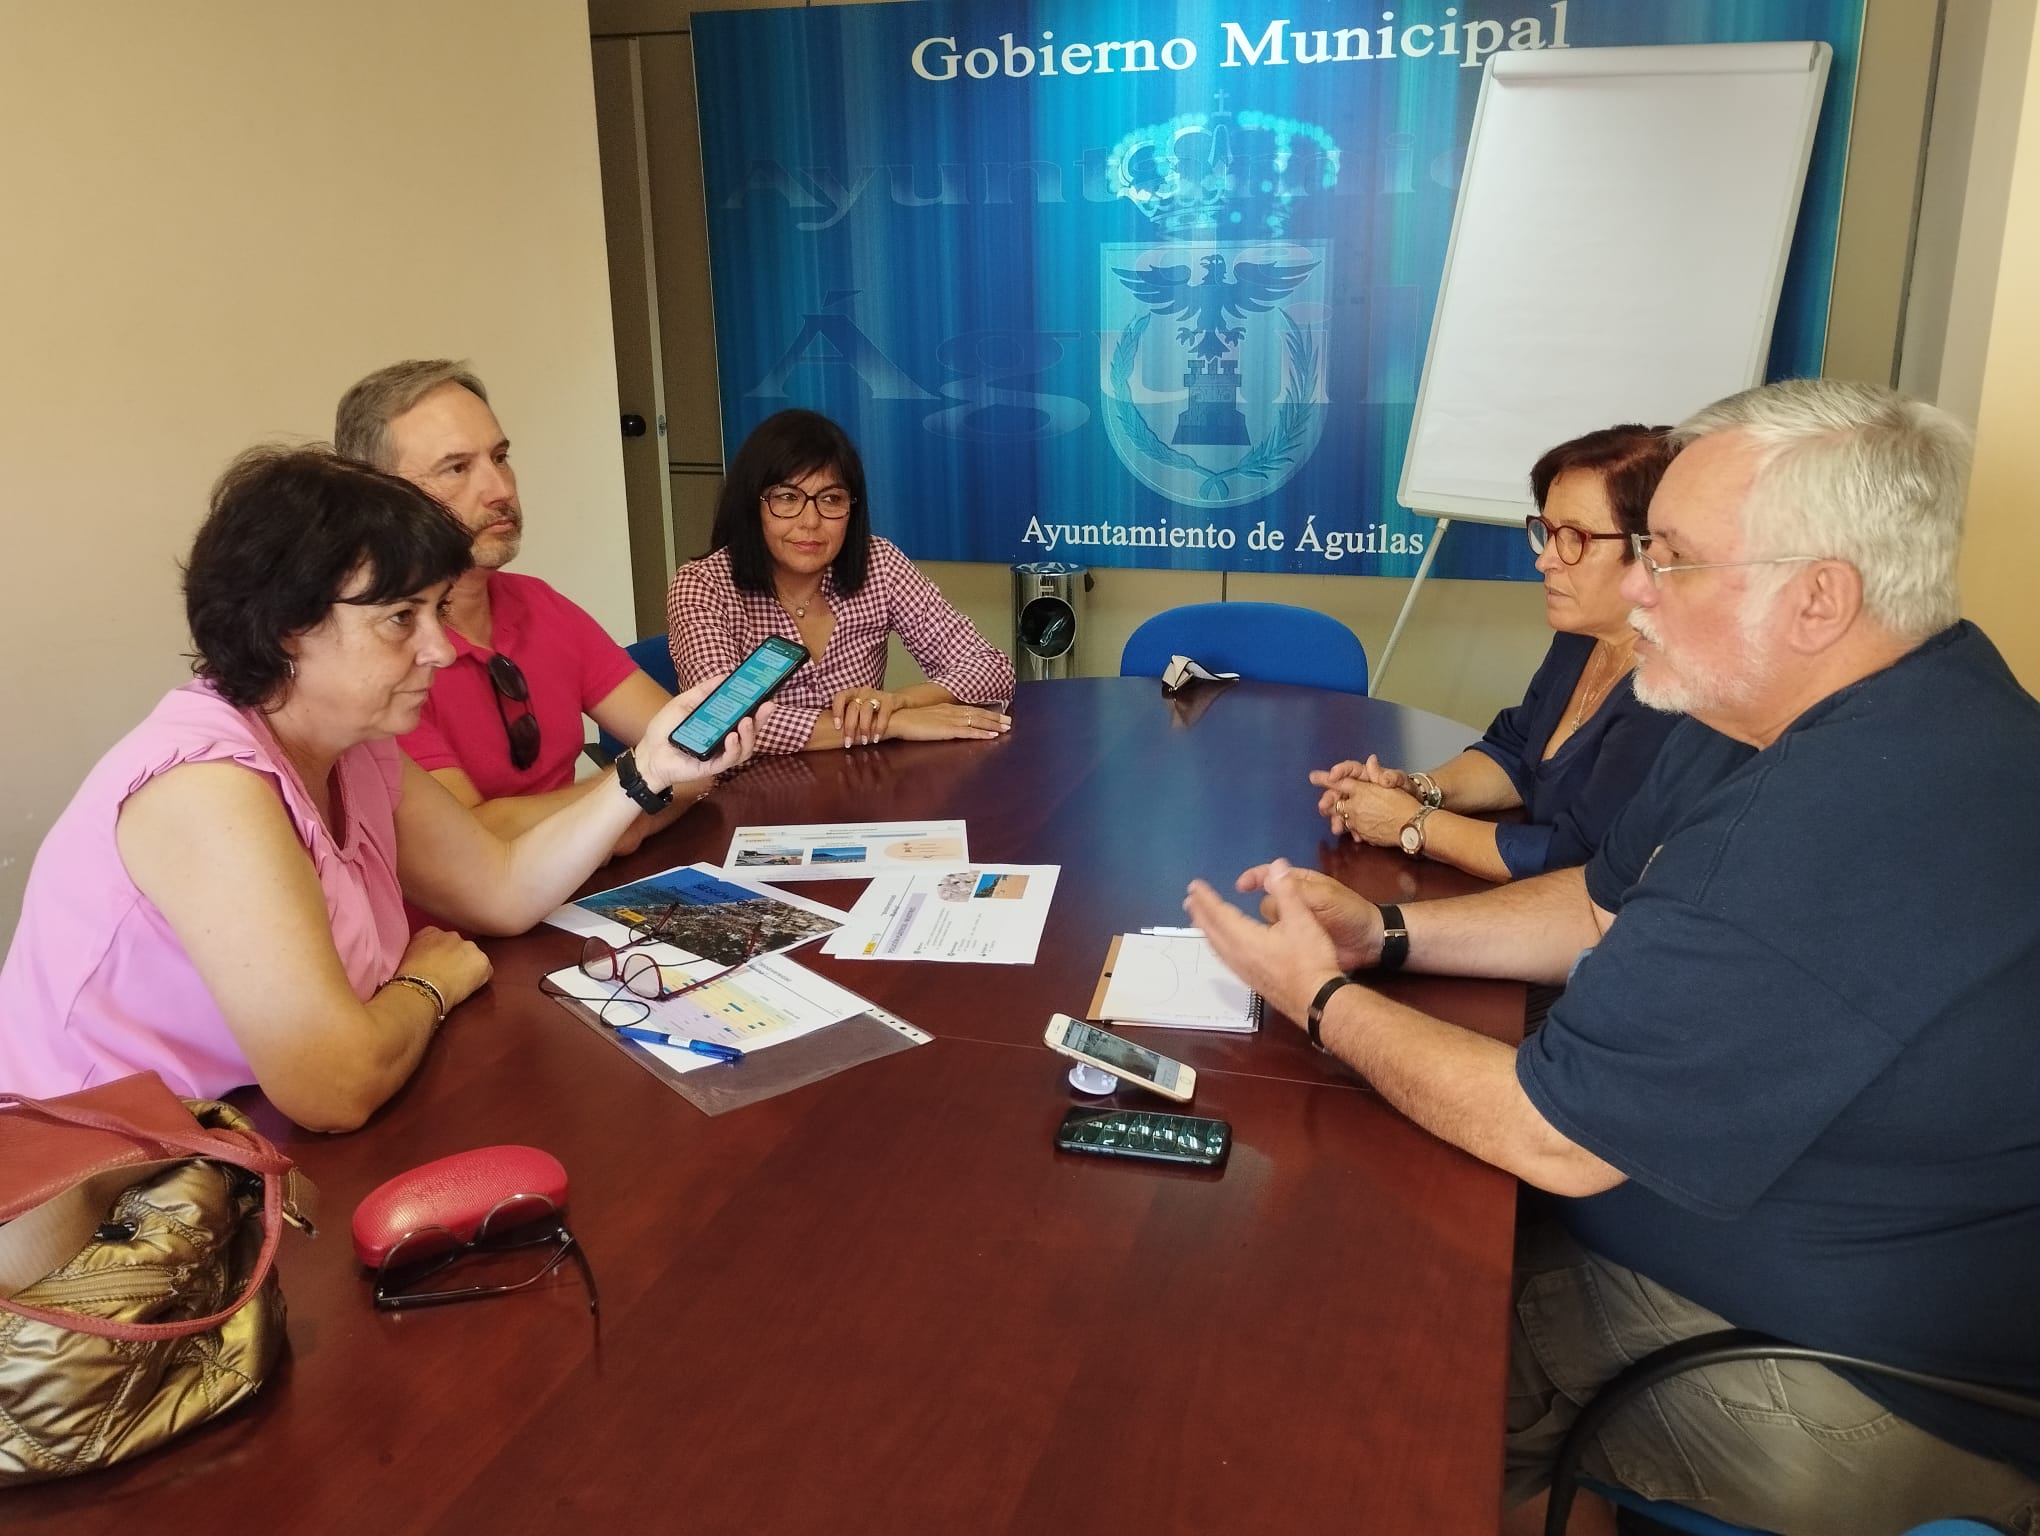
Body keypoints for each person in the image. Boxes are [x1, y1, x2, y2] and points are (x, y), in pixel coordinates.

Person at [1185, 380, 2040, 1535]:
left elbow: (1556, 1135)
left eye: (1673, 560)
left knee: (1361, 1368)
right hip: (1771, 1271)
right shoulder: (1820, 709)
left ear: (1819, 599)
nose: (1635, 590)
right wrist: (1386, 934)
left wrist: (1318, 998)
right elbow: (1599, 905)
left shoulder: (1841, 815)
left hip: (1854, 1388)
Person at [0, 448, 759, 1134]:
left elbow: (499, 888)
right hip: (103, 1200)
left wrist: (645, 773)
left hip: (234, 1140)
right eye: (401, 618)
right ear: (284, 629)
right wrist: (427, 982)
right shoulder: (207, 788)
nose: (438, 648)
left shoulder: (356, 748)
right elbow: (333, 1084)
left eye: (435, 611)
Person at [336, 360, 682, 848]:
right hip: (458, 924)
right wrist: (637, 791)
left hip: (573, 898)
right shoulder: (381, 653)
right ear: (377, 494)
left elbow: (693, 755)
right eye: (457, 468)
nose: (500, 490)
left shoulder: (540, 603)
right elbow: (472, 843)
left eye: (500, 457)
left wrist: (618, 823)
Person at [1312, 425, 1679, 880]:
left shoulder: (1672, 689)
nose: (1544, 560)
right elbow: (1515, 751)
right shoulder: (1582, 636)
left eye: (1575, 538)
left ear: (1653, 549)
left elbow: (1577, 858)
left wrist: (1410, 824)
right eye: (1547, 532)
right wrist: (1416, 788)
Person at [665, 409, 1016, 753]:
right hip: (747, 796)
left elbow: (991, 667)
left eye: (831, 499)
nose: (811, 521)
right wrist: (891, 726)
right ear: (751, 504)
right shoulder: (702, 586)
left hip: (860, 788)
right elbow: (720, 722)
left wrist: (897, 703)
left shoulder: (878, 562)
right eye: (788, 498)